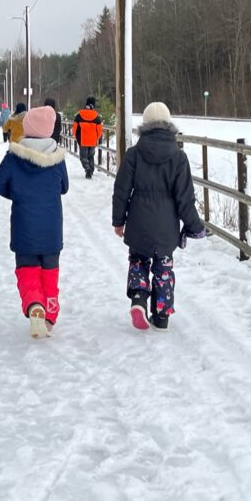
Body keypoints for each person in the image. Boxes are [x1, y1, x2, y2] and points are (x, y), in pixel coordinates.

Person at [111, 102, 206, 332]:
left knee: (138, 261)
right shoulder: (179, 158)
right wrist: (195, 225)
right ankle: (161, 316)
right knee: (164, 269)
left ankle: (138, 299)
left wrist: (118, 220)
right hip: (166, 226)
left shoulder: (134, 155)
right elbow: (185, 199)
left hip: (138, 222)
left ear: (145, 125)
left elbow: (121, 190)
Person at [0, 105, 69, 338]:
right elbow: (64, 187)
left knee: (27, 271)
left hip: (24, 228)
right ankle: (50, 315)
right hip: (51, 230)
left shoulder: (15, 155)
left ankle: (35, 304)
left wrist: (18, 194)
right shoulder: (57, 158)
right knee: (50, 273)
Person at [72, 97, 104, 180]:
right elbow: (100, 131)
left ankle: (87, 168)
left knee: (83, 157)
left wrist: (76, 137)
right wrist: (96, 138)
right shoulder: (96, 116)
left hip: (83, 140)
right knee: (91, 156)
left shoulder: (79, 115)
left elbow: (74, 129)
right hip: (93, 141)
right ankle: (91, 171)